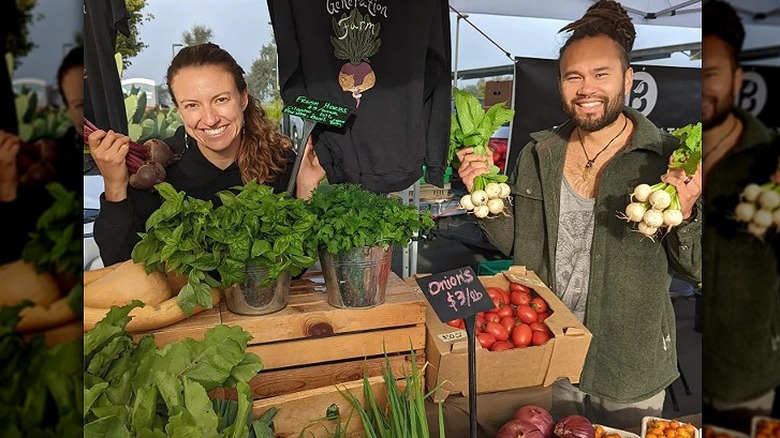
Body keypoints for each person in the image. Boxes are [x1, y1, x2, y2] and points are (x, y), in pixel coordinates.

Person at [456, 0, 702, 428]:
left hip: (629, 367)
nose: (586, 88)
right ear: (560, 84)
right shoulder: (538, 154)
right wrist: (484, 194)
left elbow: (696, 268)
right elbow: (516, 244)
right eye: (574, 76)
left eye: (601, 74)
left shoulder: (666, 161)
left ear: (627, 79)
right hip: (548, 352)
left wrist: (687, 212)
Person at [89, 43, 326, 266]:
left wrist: (305, 187)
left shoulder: (280, 164)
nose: (211, 118)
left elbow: (295, 268)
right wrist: (114, 185)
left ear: (243, 99)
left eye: (221, 100)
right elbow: (119, 264)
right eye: (192, 105)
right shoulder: (155, 172)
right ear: (178, 110)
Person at [701, 0, 780, 432]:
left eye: (710, 75)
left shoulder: (770, 160)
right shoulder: (672, 157)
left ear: (737, 79)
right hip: (684, 361)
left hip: (749, 371)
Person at [0, 45, 84, 264]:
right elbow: (22, 254)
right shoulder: (53, 165)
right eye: (80, 105)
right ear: (68, 109)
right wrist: (8, 187)